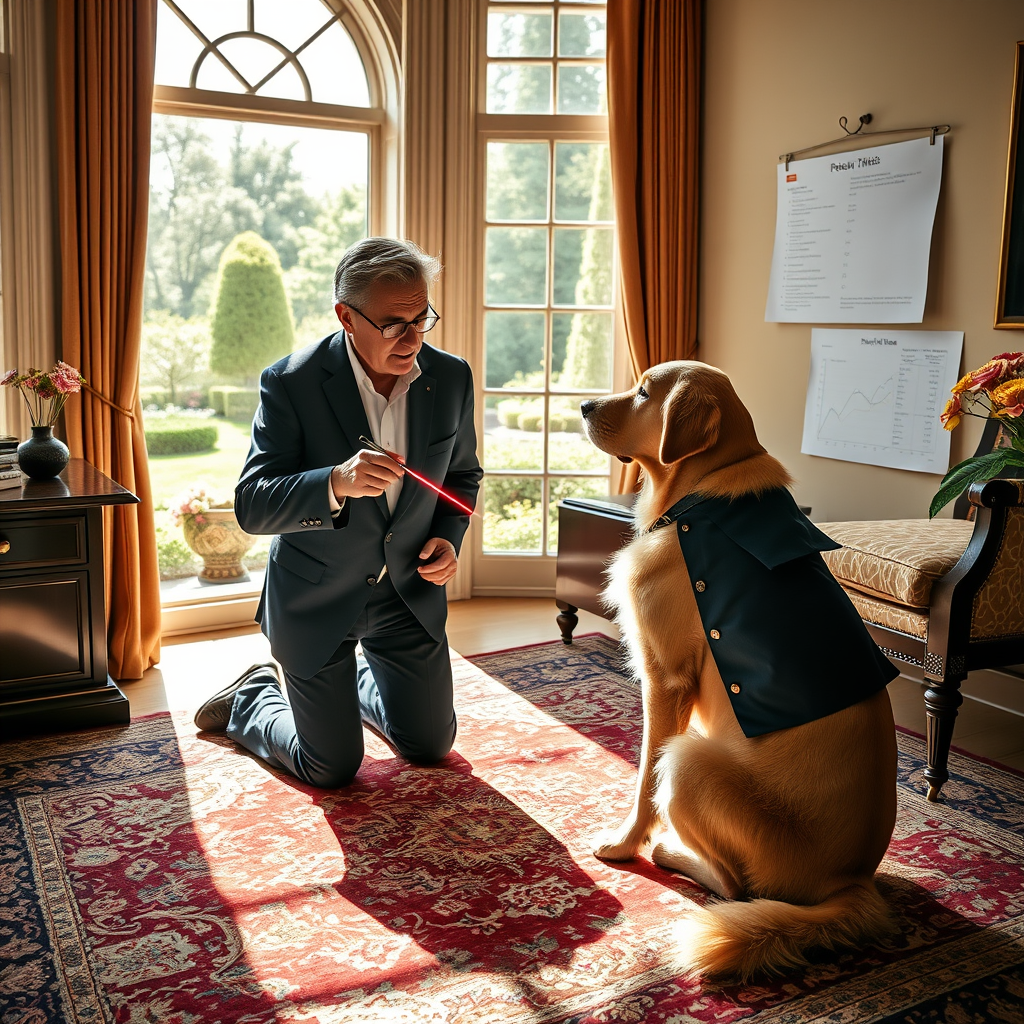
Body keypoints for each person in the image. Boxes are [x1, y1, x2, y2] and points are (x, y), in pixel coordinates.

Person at [194, 237, 483, 787]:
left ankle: (352, 688)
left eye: (423, 318)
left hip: (407, 595)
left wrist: (449, 537)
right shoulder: (290, 382)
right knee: (331, 767)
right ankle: (250, 698)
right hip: (316, 599)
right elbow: (253, 505)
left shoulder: (451, 377)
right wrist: (335, 482)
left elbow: (462, 477)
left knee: (430, 745)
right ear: (346, 316)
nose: (414, 336)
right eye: (395, 324)